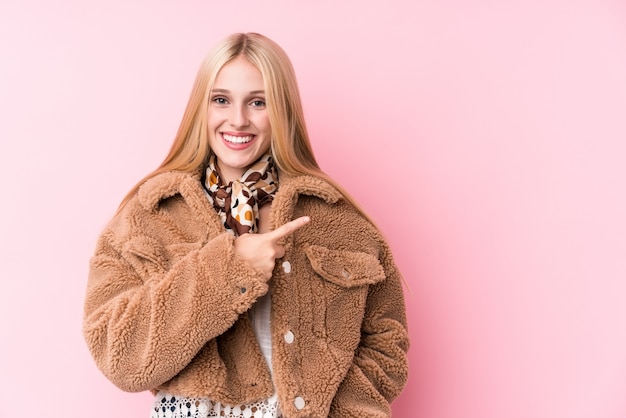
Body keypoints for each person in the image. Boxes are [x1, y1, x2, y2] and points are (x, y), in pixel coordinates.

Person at [82, 32, 409, 418]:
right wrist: (229, 269)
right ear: (200, 109)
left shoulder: (335, 218)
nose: (237, 119)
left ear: (282, 111)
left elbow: (387, 341)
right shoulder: (149, 216)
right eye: (221, 100)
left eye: (258, 102)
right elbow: (118, 355)